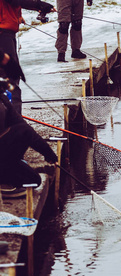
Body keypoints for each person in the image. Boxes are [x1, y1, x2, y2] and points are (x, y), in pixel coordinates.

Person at [0, 50, 58, 197]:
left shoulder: (3, 98)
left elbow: (23, 126)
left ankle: (6, 174)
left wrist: (48, 153)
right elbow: (23, 131)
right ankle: (3, 183)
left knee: (33, 180)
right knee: (20, 132)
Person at [0, 0, 55, 114]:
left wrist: (18, 16)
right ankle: (14, 122)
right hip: (3, 34)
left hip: (7, 32)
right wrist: (39, 5)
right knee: (10, 78)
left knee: (9, 77)